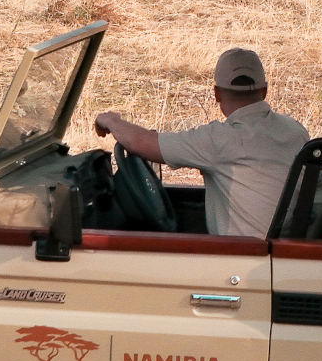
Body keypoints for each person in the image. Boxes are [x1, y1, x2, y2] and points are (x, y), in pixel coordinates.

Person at [93, 47, 308, 240]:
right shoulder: (296, 130)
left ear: (216, 94)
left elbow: (139, 143)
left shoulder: (219, 140)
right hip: (283, 249)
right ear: (264, 91)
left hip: (244, 261)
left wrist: (112, 120)